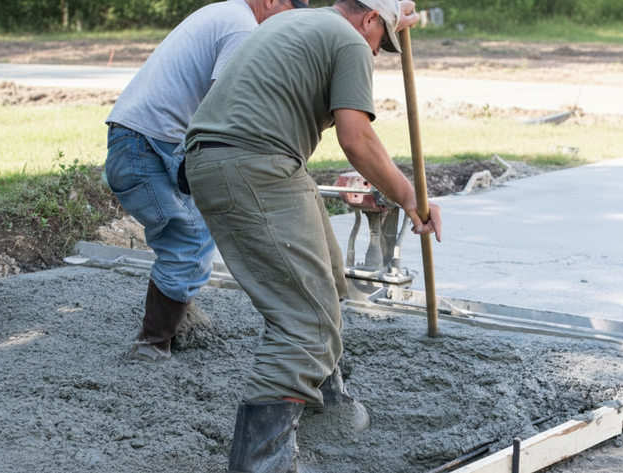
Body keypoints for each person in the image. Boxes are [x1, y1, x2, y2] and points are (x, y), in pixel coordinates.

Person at [182, 0, 440, 470]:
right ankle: (262, 464)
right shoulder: (349, 40)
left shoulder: (297, 20)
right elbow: (355, 137)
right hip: (254, 163)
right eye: (381, 42)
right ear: (368, 21)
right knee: (305, 321)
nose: (377, 53)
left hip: (231, 158)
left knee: (327, 276)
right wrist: (408, 195)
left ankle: (327, 403)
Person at [104, 0, 306, 362]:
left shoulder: (226, 13)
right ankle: (151, 348)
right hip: (145, 147)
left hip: (145, 140)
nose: (287, 24)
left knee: (195, 229)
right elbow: (222, 109)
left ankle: (176, 320)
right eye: (288, 12)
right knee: (192, 240)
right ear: (272, 1)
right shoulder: (243, 28)